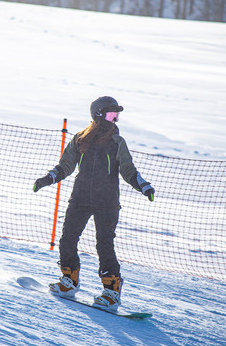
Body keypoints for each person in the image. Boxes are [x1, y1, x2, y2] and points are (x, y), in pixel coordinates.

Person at [33, 96, 155, 309]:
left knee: (104, 244)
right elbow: (66, 165)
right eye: (111, 114)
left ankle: (111, 291)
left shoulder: (117, 142)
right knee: (67, 239)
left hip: (106, 202)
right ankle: (69, 281)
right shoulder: (80, 139)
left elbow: (128, 170)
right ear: (98, 115)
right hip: (80, 198)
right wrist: (48, 178)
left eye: (117, 115)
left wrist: (143, 185)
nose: (115, 120)